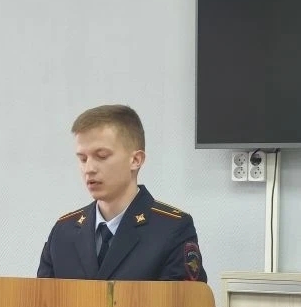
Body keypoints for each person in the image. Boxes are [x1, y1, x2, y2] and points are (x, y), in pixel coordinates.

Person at [37, 104, 207, 282]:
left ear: (136, 160)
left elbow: (183, 298)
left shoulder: (171, 228)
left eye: (102, 156)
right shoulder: (64, 231)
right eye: (83, 159)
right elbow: (42, 298)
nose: (89, 169)